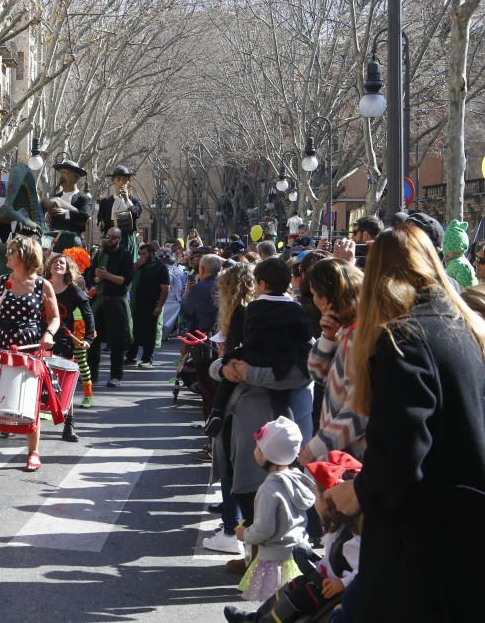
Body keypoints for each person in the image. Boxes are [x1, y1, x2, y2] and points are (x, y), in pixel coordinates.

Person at [326, 223, 485, 620]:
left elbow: (402, 452)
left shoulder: (402, 339)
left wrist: (357, 493)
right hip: (462, 532)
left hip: (424, 540)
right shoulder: (462, 327)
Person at [224, 451, 363, 623]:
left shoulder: (353, 540)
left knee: (298, 597)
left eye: (317, 496)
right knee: (293, 586)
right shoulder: (339, 530)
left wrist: (342, 583)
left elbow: (365, 570)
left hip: (333, 591)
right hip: (323, 581)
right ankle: (256, 617)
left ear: (330, 501)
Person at [0, 236, 60, 471]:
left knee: (30, 399)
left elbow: (55, 317)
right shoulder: (2, 281)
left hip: (29, 346)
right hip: (1, 343)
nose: (7, 255)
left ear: (26, 255)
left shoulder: (42, 285)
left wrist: (48, 334)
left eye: (12, 251)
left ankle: (33, 451)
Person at [204, 258, 312, 438]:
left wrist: (232, 357)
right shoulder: (297, 308)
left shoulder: (253, 307)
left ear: (262, 283)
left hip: (256, 357)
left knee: (229, 373)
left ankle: (216, 411)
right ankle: (284, 423)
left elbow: (249, 335)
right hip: (285, 362)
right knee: (281, 397)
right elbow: (306, 335)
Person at [201, 262, 256, 555]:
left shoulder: (240, 314)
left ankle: (230, 529)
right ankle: (237, 527)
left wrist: (222, 362)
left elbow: (229, 365)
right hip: (249, 397)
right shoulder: (253, 311)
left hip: (237, 398)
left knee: (230, 465)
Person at [234, 416, 315, 602]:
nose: (255, 450)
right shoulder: (296, 479)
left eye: (258, 447)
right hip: (298, 555)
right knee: (289, 606)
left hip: (275, 560)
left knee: (273, 605)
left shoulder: (268, 489)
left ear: (265, 455)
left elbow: (264, 529)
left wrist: (244, 535)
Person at [298, 258, 366, 465]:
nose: (315, 301)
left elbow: (360, 410)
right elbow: (317, 374)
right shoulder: (344, 330)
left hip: (351, 457)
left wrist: (317, 446)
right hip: (339, 452)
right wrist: (327, 338)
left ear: (329, 297)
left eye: (315, 294)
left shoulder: (359, 338)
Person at [44, 252, 94, 439]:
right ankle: (22, 420)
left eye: (62, 263)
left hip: (64, 339)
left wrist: (88, 338)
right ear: (49, 266)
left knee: (66, 382)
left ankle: (69, 425)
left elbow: (88, 314)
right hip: (41, 337)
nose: (58, 265)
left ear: (67, 269)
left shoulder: (73, 290)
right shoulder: (42, 285)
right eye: (55, 262)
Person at [87, 228, 134, 388]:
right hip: (99, 302)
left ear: (119, 239)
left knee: (117, 342)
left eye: (114, 238)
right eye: (108, 237)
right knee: (93, 340)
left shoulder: (125, 256)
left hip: (116, 302)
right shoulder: (100, 254)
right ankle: (92, 375)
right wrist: (96, 278)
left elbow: (125, 280)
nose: (110, 240)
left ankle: (116, 376)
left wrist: (107, 276)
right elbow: (91, 275)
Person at [183, 253, 221, 419]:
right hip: (225, 342)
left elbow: (189, 314)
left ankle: (212, 427)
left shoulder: (198, 289)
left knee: (207, 389)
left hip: (204, 343)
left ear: (203, 269)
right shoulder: (228, 286)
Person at [125, 243, 170, 367]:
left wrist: (159, 306)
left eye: (144, 254)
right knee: (133, 331)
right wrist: (137, 265)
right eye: (140, 254)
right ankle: (131, 357)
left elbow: (165, 288)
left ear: (152, 253)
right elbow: (128, 277)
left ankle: (147, 359)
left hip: (151, 304)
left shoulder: (160, 267)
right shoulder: (139, 266)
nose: (142, 257)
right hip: (136, 304)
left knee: (149, 332)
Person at [43, 159, 93, 251]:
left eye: (66, 173)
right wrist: (47, 215)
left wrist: (66, 213)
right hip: (52, 241)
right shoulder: (55, 197)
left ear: (76, 177)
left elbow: (85, 216)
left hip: (73, 243)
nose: (62, 176)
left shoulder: (84, 198)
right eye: (61, 173)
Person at [97, 165, 142, 262]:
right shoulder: (105, 202)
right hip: (110, 239)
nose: (122, 182)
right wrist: (101, 223)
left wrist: (126, 200)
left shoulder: (134, 200)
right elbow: (101, 222)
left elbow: (137, 214)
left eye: (125, 180)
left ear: (129, 182)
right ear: (113, 181)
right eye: (119, 179)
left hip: (127, 239)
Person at [159, 247, 188, 339]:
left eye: (166, 255)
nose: (164, 257)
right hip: (157, 297)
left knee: (167, 322)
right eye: (162, 255)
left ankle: (164, 336)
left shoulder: (175, 270)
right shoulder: (155, 267)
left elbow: (178, 286)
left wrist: (179, 298)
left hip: (171, 299)